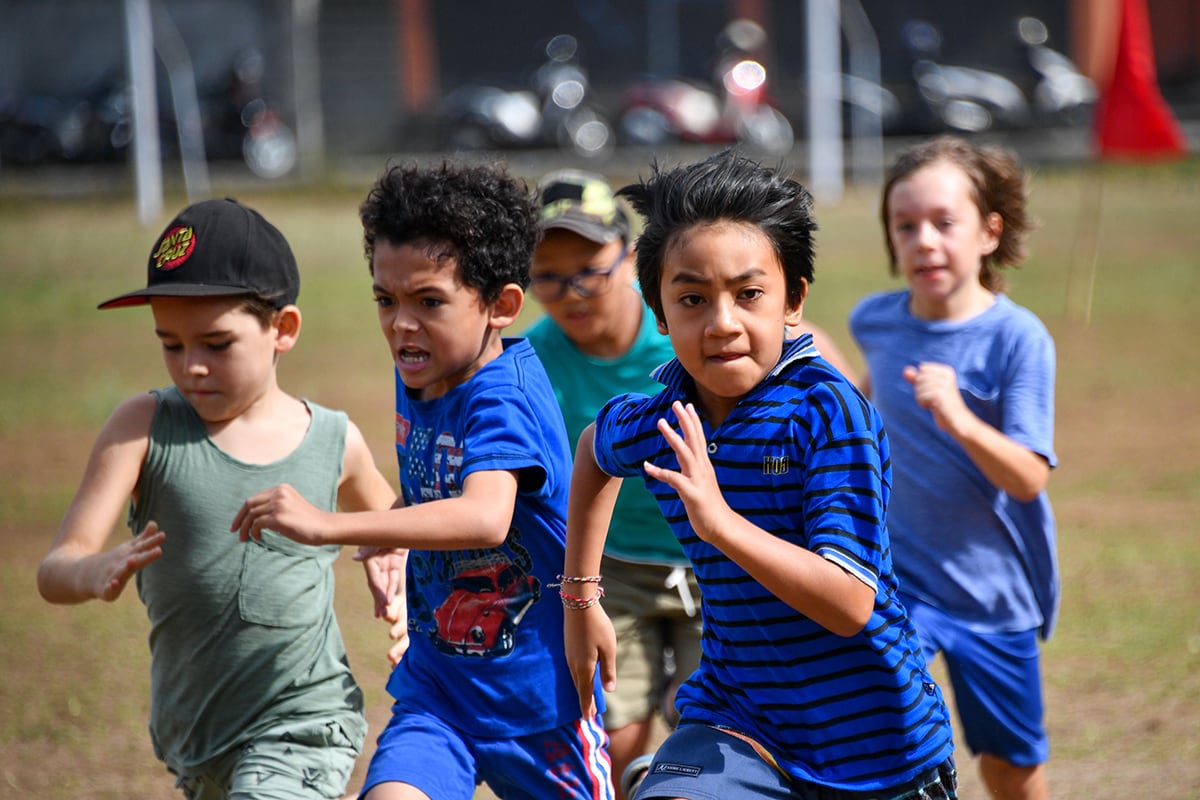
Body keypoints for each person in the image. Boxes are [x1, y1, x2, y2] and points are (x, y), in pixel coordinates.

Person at [561, 149, 958, 800]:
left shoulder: (826, 413)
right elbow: (593, 450)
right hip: (740, 720)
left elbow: (849, 602)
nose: (722, 324)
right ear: (659, 312)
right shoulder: (665, 414)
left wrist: (720, 524)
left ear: (793, 299)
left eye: (749, 294)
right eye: (692, 298)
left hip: (879, 753)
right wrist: (581, 599)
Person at [231, 161, 614, 800]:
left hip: (541, 705)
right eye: (387, 299)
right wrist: (395, 531)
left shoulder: (503, 396)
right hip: (438, 693)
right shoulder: (425, 367)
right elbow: (440, 489)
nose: (401, 324)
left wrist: (331, 525)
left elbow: (485, 515)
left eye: (429, 301)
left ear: (501, 306)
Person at [36, 197, 397, 800]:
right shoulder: (142, 426)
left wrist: (392, 558)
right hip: (196, 731)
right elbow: (56, 568)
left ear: (282, 330)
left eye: (216, 344)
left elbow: (392, 524)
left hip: (305, 720)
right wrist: (91, 568)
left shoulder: (333, 438)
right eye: (171, 345)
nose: (191, 368)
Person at [848, 136, 1058, 800]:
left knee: (1009, 766)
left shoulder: (1016, 338)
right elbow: (864, 400)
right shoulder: (875, 322)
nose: (924, 240)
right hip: (901, 584)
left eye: (944, 222)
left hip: (993, 597)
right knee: (879, 727)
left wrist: (960, 419)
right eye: (905, 226)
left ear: (989, 232)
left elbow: (1028, 476)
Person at [523, 169, 702, 799]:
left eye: (589, 269)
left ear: (631, 256)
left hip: (714, 562)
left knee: (711, 734)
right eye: (548, 276)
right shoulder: (532, 360)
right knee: (612, 735)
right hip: (612, 570)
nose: (572, 293)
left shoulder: (686, 329)